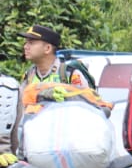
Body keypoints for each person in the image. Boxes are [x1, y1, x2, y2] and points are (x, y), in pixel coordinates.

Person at [5, 24, 97, 154]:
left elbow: (88, 108)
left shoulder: (69, 74)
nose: (25, 46)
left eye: (31, 43)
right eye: (26, 43)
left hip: (65, 147)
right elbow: (20, 108)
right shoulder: (29, 75)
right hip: (34, 145)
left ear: (47, 48)